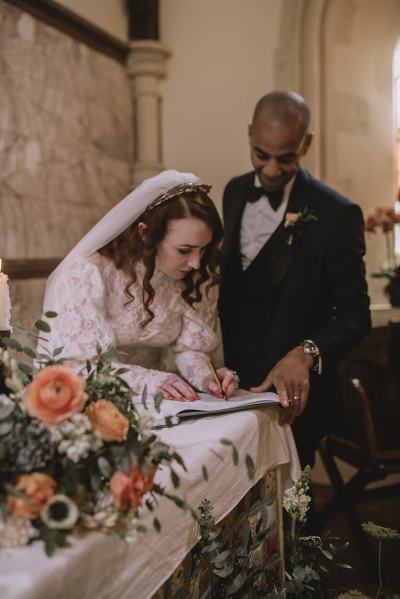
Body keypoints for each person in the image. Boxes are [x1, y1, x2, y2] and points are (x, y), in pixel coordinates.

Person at [219, 91, 371, 468]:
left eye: (285, 158)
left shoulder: (337, 213)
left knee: (291, 515)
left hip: (296, 404)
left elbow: (355, 314)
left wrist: (306, 353)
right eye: (261, 154)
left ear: (307, 144)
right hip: (233, 389)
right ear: (250, 134)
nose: (271, 169)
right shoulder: (235, 191)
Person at [43, 170, 238, 402]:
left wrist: (207, 377)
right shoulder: (88, 272)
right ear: (145, 233)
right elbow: (77, 366)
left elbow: (190, 349)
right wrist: (150, 380)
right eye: (184, 250)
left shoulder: (196, 275)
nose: (196, 263)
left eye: (203, 249)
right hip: (94, 399)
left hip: (163, 403)